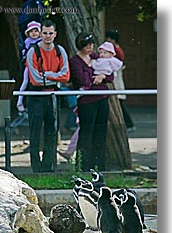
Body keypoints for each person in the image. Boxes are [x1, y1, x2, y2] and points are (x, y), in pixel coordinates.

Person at [26, 20, 70, 172]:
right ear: (40, 33)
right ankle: (36, 169)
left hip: (53, 95)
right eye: (44, 33)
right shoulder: (33, 51)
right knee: (35, 132)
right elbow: (35, 79)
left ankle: (48, 167)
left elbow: (66, 76)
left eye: (50, 33)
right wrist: (55, 77)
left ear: (55, 34)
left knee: (52, 132)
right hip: (36, 96)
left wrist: (49, 75)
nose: (47, 36)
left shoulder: (60, 51)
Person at [69, 32, 114, 172]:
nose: (90, 48)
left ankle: (99, 166)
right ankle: (83, 166)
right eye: (86, 46)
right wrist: (90, 68)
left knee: (100, 133)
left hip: (102, 98)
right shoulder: (75, 61)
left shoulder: (96, 57)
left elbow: (110, 74)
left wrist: (102, 75)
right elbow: (83, 81)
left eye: (91, 45)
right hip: (87, 101)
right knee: (86, 133)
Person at [105, 29, 135, 132]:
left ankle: (129, 123)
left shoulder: (117, 51)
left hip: (116, 78)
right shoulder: (116, 49)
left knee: (120, 102)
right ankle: (128, 123)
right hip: (116, 77)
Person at [17, 21, 42, 112]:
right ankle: (19, 101)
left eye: (36, 31)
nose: (34, 33)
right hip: (29, 64)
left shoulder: (42, 41)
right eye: (31, 31)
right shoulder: (27, 42)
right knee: (25, 81)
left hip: (40, 66)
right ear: (28, 33)